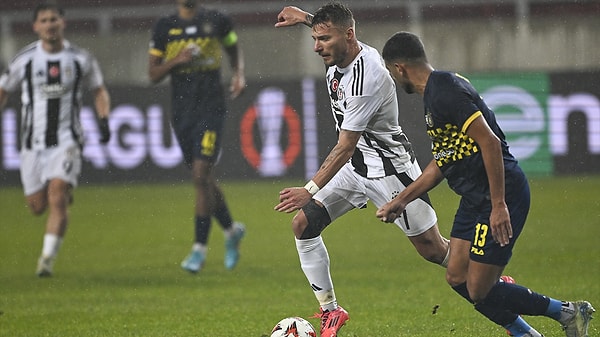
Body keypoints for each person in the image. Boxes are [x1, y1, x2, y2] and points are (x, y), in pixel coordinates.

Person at [377, 31, 595, 337]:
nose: (395, 80)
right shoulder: (436, 94)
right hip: (474, 198)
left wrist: (498, 204)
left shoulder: (446, 91)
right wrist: (402, 200)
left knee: (479, 288)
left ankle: (568, 312)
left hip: (501, 193)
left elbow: (490, 143)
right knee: (456, 276)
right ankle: (527, 333)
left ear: (399, 68)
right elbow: (444, 161)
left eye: (391, 72)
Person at [274, 4, 450, 337]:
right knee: (304, 225)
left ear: (348, 36)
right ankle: (331, 312)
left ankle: (492, 280)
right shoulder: (339, 50)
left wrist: (308, 189)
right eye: (315, 38)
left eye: (323, 39)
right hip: (356, 168)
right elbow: (333, 30)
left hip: (389, 170)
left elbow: (345, 146)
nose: (317, 46)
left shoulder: (365, 79)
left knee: (433, 249)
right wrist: (305, 18)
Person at [0, 2, 111, 277]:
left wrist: (104, 118)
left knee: (57, 194)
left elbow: (99, 90)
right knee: (37, 207)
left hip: (67, 140)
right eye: (44, 20)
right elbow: (3, 90)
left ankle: (46, 260)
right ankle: (59, 192)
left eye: (54, 19)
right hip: (31, 144)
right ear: (36, 26)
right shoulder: (24, 59)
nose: (50, 24)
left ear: (64, 23)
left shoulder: (80, 59)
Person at [148, 0, 246, 273]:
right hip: (182, 113)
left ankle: (198, 250)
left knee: (200, 176)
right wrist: (176, 61)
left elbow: (232, 44)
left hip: (211, 110)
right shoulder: (165, 27)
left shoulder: (216, 20)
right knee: (204, 180)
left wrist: (238, 72)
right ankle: (231, 230)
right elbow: (153, 73)